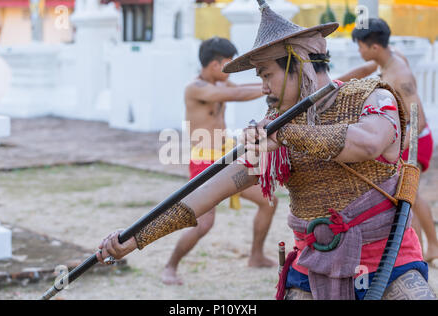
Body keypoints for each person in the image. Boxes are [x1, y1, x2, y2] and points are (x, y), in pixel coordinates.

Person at [96, 1, 437, 300]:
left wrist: (288, 134)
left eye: (267, 74)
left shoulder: (371, 96)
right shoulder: (274, 134)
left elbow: (368, 143)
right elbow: (209, 191)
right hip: (314, 265)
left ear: (300, 63)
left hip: (388, 260)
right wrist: (137, 237)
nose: (263, 88)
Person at [159, 37, 278, 285]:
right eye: (228, 63)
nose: (231, 68)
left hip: (227, 156)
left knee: (268, 200)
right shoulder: (196, 88)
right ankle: (170, 267)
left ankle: (256, 256)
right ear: (215, 65)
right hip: (205, 162)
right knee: (204, 223)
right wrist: (272, 87)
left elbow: (238, 88)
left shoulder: (219, 82)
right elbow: (235, 94)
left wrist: (271, 82)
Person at [338, 18, 438, 265]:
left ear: (373, 48)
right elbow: (362, 72)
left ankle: (428, 247)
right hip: (402, 139)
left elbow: (420, 120)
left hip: (415, 140)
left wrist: (392, 150)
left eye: (360, 46)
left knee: (407, 197)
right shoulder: (389, 58)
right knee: (406, 195)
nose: (358, 51)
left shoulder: (399, 74)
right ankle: (428, 246)